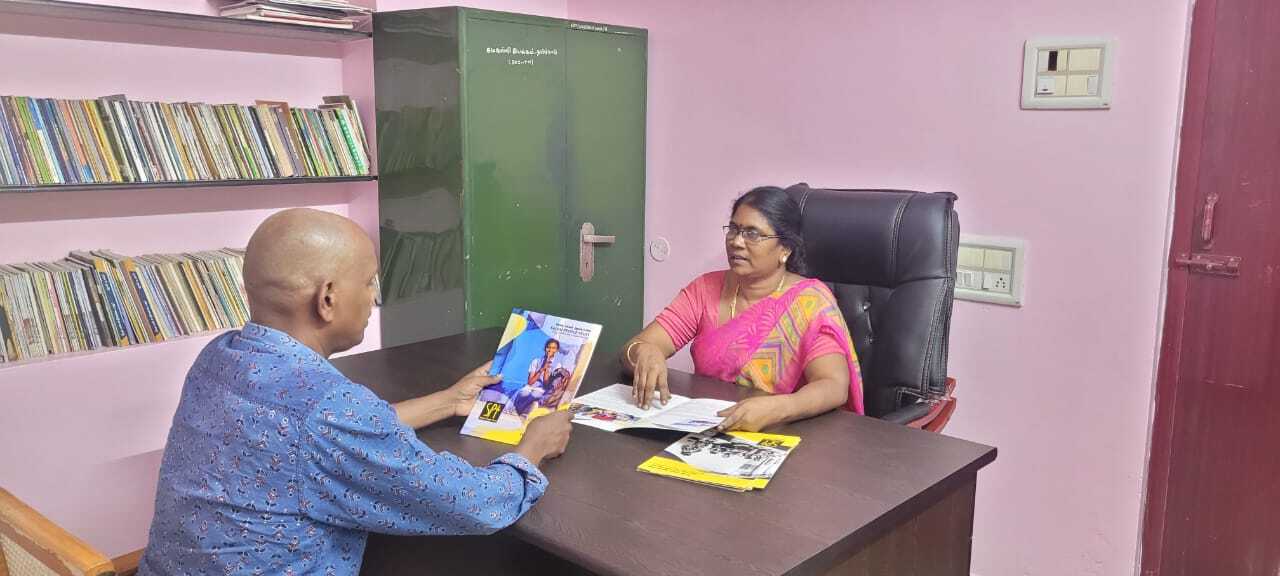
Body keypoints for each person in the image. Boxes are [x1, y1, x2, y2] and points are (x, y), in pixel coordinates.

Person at [137, 208, 573, 576]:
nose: (372, 298)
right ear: (327, 298)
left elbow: (303, 437)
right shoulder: (329, 411)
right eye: (368, 282)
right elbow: (474, 505)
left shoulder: (219, 357)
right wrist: (532, 449)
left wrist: (448, 400)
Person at [621, 186, 864, 432]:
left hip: (783, 431)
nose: (736, 242)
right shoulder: (706, 288)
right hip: (712, 426)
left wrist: (777, 409)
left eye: (753, 234)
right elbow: (634, 348)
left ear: (785, 249)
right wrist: (645, 353)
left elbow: (833, 385)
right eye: (734, 229)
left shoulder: (810, 302)